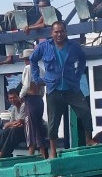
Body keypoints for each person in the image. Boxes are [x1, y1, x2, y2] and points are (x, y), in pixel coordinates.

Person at [29, 19, 94, 148]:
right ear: (51, 33)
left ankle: (89, 140)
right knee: (53, 121)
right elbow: (33, 60)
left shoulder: (74, 46)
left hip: (72, 87)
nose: (59, 35)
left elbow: (82, 59)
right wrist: (37, 79)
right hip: (53, 88)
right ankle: (53, 150)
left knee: (85, 112)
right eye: (56, 32)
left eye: (62, 31)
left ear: (66, 32)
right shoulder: (44, 47)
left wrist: (78, 75)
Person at [21, 81, 50, 159]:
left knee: (30, 129)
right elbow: (43, 87)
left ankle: (31, 155)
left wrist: (21, 96)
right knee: (39, 127)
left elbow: (26, 86)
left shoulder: (28, 69)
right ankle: (43, 155)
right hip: (39, 99)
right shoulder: (41, 70)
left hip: (30, 99)